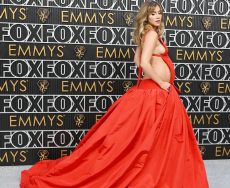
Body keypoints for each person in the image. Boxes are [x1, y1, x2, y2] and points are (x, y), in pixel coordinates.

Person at [20, 1, 209, 187]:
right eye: (153, 13)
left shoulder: (147, 34)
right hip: (155, 92)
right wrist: (161, 83)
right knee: (151, 139)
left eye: (160, 12)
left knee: (147, 139)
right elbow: (143, 63)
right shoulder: (151, 34)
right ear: (146, 16)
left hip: (152, 92)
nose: (157, 16)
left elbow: (136, 59)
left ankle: (147, 170)